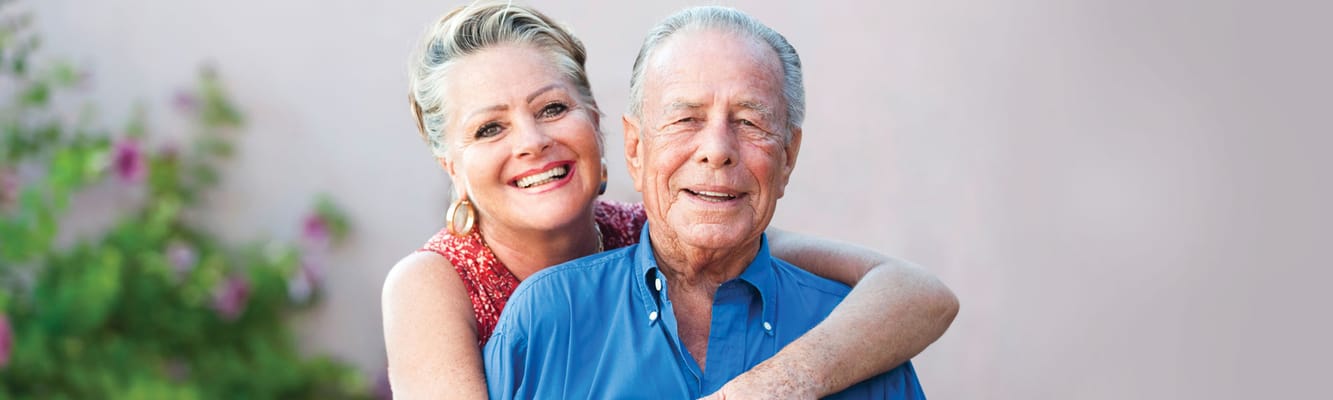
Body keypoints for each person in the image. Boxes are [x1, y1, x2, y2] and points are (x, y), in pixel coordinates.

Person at [383, 2, 956, 398]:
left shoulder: (665, 226)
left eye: (553, 109)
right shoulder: (437, 287)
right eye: (489, 129)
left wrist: (780, 382)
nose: (532, 142)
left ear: (604, 129)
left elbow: (914, 292)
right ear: (451, 168)